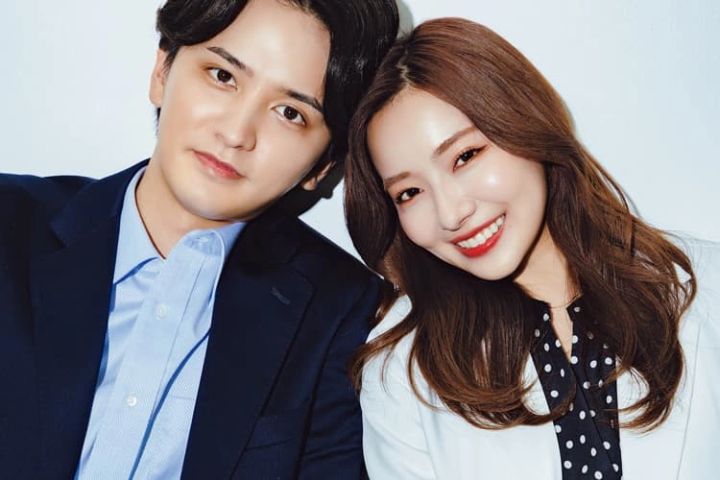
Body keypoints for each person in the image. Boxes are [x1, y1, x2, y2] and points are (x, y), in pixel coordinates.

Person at [0, 0, 398, 478]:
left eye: (290, 113)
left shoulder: (345, 315)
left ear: (324, 165)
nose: (236, 133)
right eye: (223, 76)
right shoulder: (9, 221)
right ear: (162, 71)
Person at [344, 18, 720, 480]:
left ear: (525, 124)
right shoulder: (401, 374)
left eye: (465, 156)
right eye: (409, 193)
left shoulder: (708, 286)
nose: (451, 212)